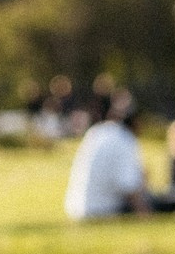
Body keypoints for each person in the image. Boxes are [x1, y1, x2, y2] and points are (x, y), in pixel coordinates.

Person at [64, 91, 150, 221]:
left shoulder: (97, 131)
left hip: (75, 208)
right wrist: (146, 215)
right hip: (102, 209)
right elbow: (129, 187)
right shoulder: (124, 139)